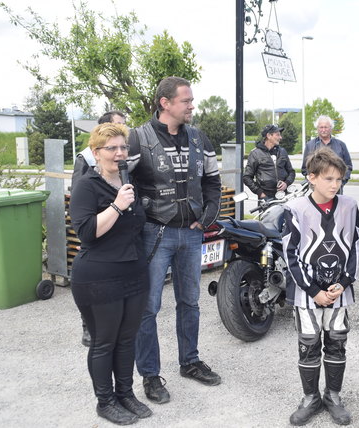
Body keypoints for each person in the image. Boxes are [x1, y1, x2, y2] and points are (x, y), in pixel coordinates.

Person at [128, 76, 222, 406]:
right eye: (186, 101)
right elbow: (124, 183)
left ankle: (190, 362)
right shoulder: (137, 139)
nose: (192, 106)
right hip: (155, 234)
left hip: (191, 234)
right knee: (148, 307)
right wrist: (142, 217)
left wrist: (208, 215)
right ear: (165, 103)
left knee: (190, 302)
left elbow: (212, 180)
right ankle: (150, 376)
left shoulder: (199, 137)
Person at [69, 123, 151, 425]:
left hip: (134, 273)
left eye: (123, 148)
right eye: (112, 148)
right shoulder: (86, 186)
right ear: (96, 152)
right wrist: (117, 206)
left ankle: (125, 393)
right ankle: (105, 401)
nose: (119, 154)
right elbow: (88, 233)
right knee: (105, 340)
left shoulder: (129, 184)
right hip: (98, 277)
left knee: (127, 339)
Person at [282, 147, 359, 426]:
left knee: (337, 341)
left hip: (339, 291)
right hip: (308, 293)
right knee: (308, 344)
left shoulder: (350, 207)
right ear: (312, 177)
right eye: (329, 179)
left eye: (339, 179)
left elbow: (357, 246)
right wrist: (313, 290)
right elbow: (290, 254)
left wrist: (344, 282)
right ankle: (310, 398)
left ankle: (333, 396)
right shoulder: (295, 209)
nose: (335, 185)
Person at [71, 110, 127, 348]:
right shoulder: (85, 159)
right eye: (118, 125)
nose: (124, 129)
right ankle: (88, 326)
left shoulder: (124, 161)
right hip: (97, 237)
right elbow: (80, 196)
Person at [71, 111, 127, 188]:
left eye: (124, 125)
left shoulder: (124, 151)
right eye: (119, 124)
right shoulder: (85, 157)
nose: (123, 128)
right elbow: (77, 187)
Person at [242, 124, 296, 200]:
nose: (280, 137)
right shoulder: (255, 153)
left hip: (284, 196)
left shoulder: (283, 151)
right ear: (269, 136)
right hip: (266, 198)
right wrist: (260, 193)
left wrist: (286, 183)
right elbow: (246, 177)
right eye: (277, 135)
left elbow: (291, 172)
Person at [301, 115, 353, 193]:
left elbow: (348, 166)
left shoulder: (341, 145)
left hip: (336, 189)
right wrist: (313, 182)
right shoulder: (310, 145)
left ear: (331, 128)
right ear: (317, 129)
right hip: (318, 190)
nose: (323, 130)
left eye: (326, 127)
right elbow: (305, 169)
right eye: (321, 127)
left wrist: (341, 181)